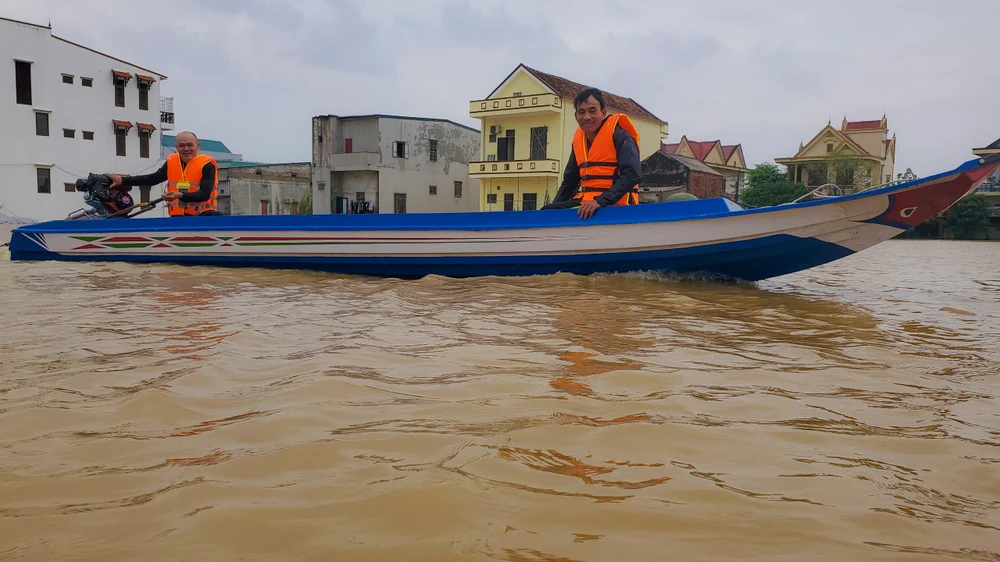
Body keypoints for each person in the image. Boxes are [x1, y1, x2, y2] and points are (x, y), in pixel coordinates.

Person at [541, 88, 642, 219]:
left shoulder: (620, 135)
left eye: (592, 111)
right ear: (576, 116)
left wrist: (599, 201)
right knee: (547, 210)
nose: (587, 117)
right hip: (586, 202)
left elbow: (633, 174)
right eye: (581, 112)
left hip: (617, 204)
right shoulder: (579, 141)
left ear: (603, 112)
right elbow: (570, 181)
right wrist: (552, 215)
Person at [107, 131, 221, 216]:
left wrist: (179, 195)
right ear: (176, 147)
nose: (186, 149)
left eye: (190, 145)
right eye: (182, 146)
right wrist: (123, 180)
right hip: (178, 218)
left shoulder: (207, 165)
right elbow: (153, 179)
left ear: (198, 146)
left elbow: (204, 194)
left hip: (204, 216)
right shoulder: (172, 162)